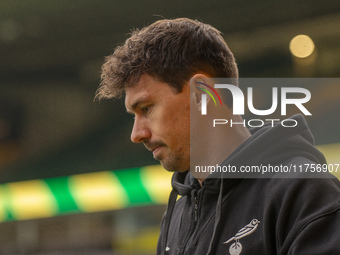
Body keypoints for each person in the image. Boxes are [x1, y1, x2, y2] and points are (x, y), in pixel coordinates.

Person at [96, 18, 340, 254]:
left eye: (146, 108)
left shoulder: (303, 189)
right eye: (133, 115)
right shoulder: (177, 216)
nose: (136, 134)